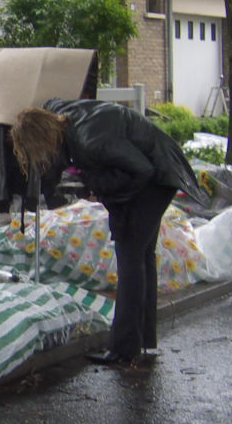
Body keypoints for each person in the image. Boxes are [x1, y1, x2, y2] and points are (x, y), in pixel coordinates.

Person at [12, 99, 208, 368]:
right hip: (158, 171)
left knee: (130, 259)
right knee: (141, 257)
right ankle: (143, 342)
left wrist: (95, 187)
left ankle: (124, 349)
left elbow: (142, 170)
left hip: (154, 179)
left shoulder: (91, 141)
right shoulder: (66, 117)